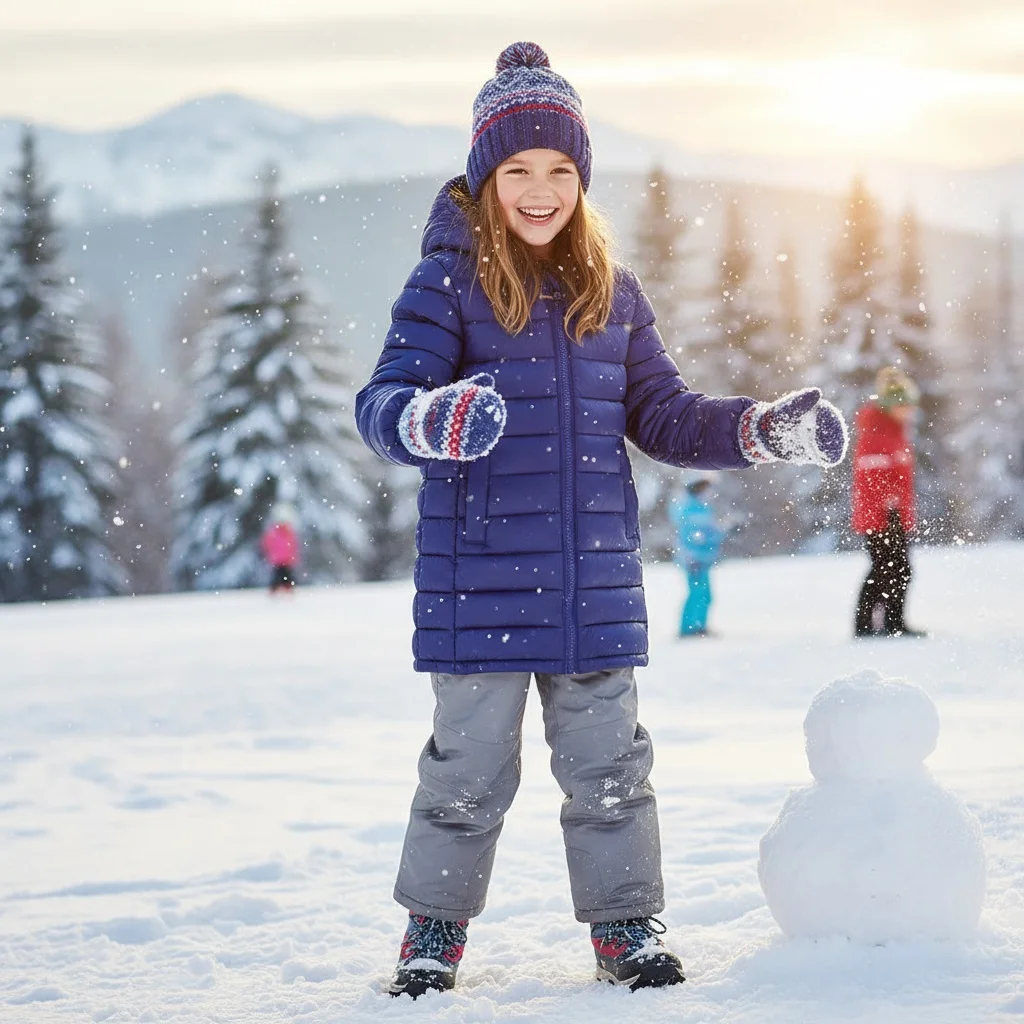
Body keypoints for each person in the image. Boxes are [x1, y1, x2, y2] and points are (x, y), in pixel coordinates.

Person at [355, 41, 849, 998]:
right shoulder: (446, 287)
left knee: (611, 769)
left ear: (582, 180)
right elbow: (383, 404)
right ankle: (433, 935)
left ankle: (625, 926)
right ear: (484, 177)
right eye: (517, 170)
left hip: (593, 583)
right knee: (464, 774)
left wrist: (759, 430)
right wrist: (432, 418)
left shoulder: (610, 295)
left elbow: (664, 415)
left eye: (560, 171)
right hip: (480, 583)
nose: (540, 190)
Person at [852, 366, 925, 638]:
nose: (909, 410)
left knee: (899, 570)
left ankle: (893, 622)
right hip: (881, 516)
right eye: (905, 405)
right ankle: (866, 625)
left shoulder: (895, 431)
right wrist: (889, 507)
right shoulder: (877, 432)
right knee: (886, 570)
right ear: (892, 404)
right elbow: (873, 478)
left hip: (893, 514)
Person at [671, 478, 725, 638]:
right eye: (705, 489)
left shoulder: (702, 508)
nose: (709, 493)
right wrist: (691, 557)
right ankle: (687, 629)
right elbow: (692, 535)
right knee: (696, 593)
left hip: (703, 559)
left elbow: (711, 532)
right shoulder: (690, 509)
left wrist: (726, 531)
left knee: (705, 595)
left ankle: (699, 626)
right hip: (693, 560)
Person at [260, 502, 300, 594]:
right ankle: (277, 589)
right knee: (279, 575)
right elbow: (267, 544)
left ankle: (286, 589)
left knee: (285, 575)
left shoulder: (287, 532)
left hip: (285, 560)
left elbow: (293, 546)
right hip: (278, 560)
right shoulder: (275, 532)